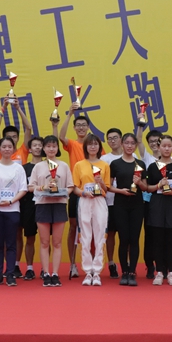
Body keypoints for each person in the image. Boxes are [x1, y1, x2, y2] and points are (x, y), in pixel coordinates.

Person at [28, 135, 74, 287]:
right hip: (42, 205)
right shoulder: (38, 166)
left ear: (57, 148)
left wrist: (62, 192)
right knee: (44, 242)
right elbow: (30, 187)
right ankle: (46, 273)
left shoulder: (64, 166)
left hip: (59, 204)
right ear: (44, 148)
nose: (51, 149)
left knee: (57, 242)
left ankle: (55, 273)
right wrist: (44, 187)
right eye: (48, 146)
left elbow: (70, 186)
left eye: (54, 146)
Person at [0, 137, 28, 286]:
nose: (7, 149)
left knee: (11, 243)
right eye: (4, 147)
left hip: (12, 209)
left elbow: (23, 189)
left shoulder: (18, 168)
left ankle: (10, 274)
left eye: (10, 146)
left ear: (14, 149)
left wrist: (10, 201)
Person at [145, 135, 172, 286]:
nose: (166, 149)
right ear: (158, 147)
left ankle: (171, 272)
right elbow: (147, 188)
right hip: (157, 204)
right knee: (157, 240)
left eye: (169, 146)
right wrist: (158, 186)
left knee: (171, 240)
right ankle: (159, 272)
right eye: (164, 146)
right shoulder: (152, 167)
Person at [109, 133, 148, 286]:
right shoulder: (115, 164)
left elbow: (145, 188)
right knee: (123, 239)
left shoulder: (140, 164)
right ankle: (124, 272)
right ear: (122, 144)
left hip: (137, 205)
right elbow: (108, 186)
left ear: (136, 145)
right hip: (120, 205)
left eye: (132, 143)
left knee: (134, 239)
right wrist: (121, 191)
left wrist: (139, 183)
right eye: (127, 143)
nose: (130, 146)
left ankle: (132, 272)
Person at [72, 134, 110, 286]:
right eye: (90, 144)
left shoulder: (104, 165)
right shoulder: (79, 165)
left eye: (95, 144)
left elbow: (107, 188)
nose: (93, 147)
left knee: (100, 236)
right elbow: (75, 187)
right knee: (85, 236)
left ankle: (97, 272)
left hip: (100, 201)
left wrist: (101, 183)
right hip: (85, 201)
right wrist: (83, 193)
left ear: (99, 147)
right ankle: (88, 272)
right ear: (85, 147)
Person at [58, 102, 91, 278]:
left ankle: (90, 264)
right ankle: (72, 264)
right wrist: (70, 113)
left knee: (90, 228)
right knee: (73, 227)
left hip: (92, 193)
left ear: (88, 127)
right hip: (75, 192)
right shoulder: (71, 144)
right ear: (75, 128)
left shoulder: (94, 145)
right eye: (78, 125)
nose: (81, 128)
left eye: (84, 125)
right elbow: (61, 136)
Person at [136, 126, 163, 278]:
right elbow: (139, 140)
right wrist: (140, 124)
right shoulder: (146, 158)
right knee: (150, 234)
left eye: (157, 141)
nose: (154, 144)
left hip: (164, 201)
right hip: (148, 201)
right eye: (151, 141)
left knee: (162, 234)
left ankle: (163, 265)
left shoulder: (171, 160)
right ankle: (150, 265)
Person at [18, 137, 43, 280]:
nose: (38, 148)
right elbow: (21, 187)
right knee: (30, 238)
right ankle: (29, 268)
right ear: (30, 149)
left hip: (45, 205)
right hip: (28, 206)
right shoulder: (24, 168)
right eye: (35, 145)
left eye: (40, 145)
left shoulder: (49, 166)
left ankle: (45, 269)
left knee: (45, 240)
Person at [102, 128, 126, 279]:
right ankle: (111, 263)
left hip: (126, 202)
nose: (112, 141)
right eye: (109, 138)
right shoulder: (104, 159)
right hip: (109, 202)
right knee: (110, 233)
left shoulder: (132, 156)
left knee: (126, 235)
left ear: (121, 139)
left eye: (115, 138)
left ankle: (127, 265)